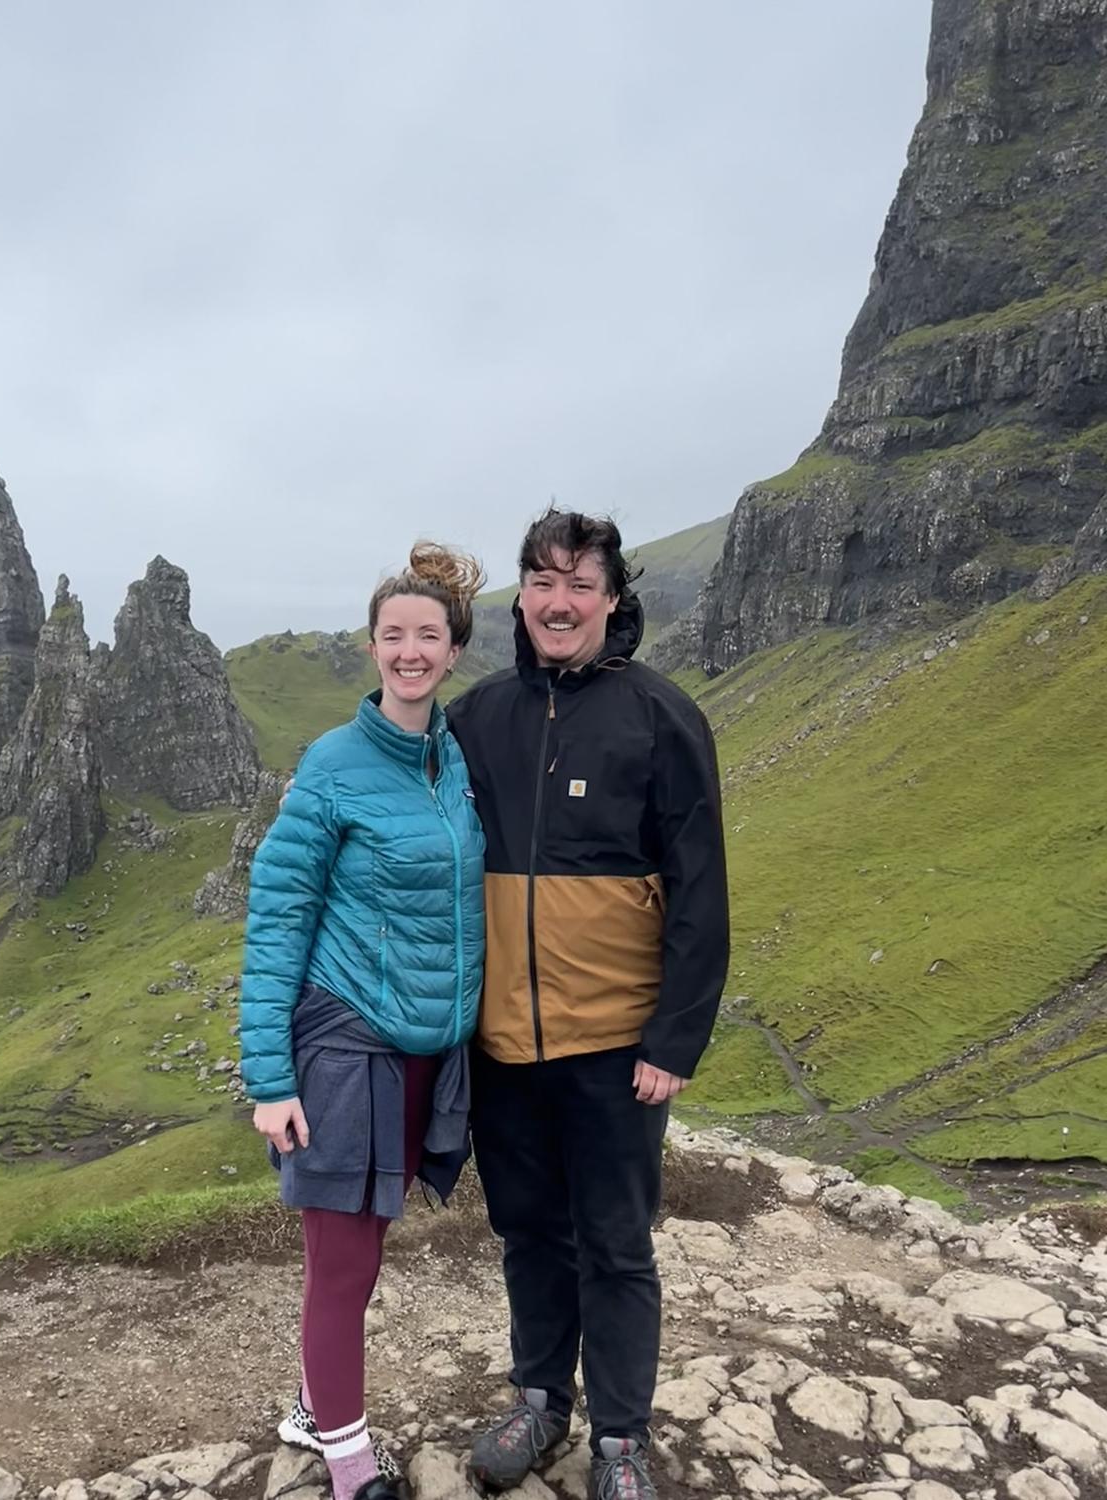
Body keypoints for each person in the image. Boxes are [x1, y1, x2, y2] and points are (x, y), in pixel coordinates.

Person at [447, 509, 730, 1500]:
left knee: (614, 1241)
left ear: (612, 600)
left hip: (616, 1046)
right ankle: (538, 1399)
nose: (557, 601)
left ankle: (619, 1438)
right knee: (528, 1229)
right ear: (520, 598)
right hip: (501, 1045)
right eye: (541, 581)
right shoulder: (477, 718)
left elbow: (701, 889)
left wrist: (674, 1037)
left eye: (578, 583)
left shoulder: (661, 718)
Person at [239, 544, 488, 1500]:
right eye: (394, 636)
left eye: (428, 635)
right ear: (373, 648)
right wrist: (272, 1080)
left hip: (427, 1051)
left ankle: (313, 1402)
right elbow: (277, 918)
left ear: (454, 649)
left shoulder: (453, 761)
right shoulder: (332, 765)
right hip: (345, 1044)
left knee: (367, 1253)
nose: (410, 651)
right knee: (342, 1267)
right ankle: (347, 1464)